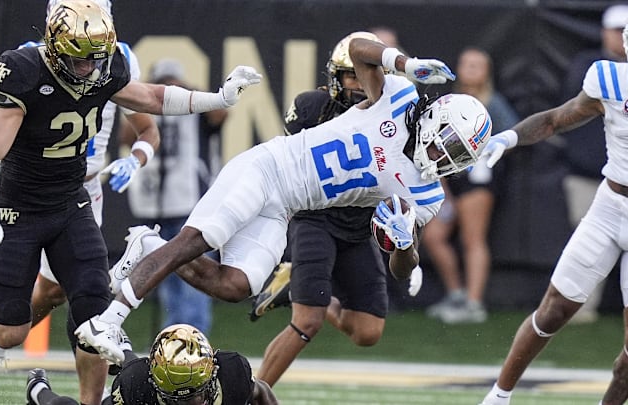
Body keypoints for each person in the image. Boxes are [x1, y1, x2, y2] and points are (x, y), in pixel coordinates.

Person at [75, 35, 493, 366]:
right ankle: (108, 321)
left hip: (287, 208)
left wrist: (403, 245)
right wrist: (404, 63)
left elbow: (403, 270)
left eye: (457, 159)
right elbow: (358, 48)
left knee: (235, 285)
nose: (444, 160)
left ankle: (147, 245)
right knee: (200, 237)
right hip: (268, 168)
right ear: (436, 120)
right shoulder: (397, 97)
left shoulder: (425, 191)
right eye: (448, 147)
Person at [0, 1, 261, 404]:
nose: (89, 68)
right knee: (9, 332)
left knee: (95, 317)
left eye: (96, 58)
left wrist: (217, 99)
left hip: (72, 201)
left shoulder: (107, 66)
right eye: (79, 59)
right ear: (55, 47)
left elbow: (152, 99)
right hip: (19, 207)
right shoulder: (22, 69)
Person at [0, 0, 160, 399]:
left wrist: (136, 160)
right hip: (32, 192)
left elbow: (148, 129)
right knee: (51, 298)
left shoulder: (119, 59)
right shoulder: (29, 62)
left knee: (84, 298)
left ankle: (89, 397)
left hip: (84, 191)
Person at [246, 31, 426, 387]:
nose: (359, 85)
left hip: (359, 226)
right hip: (316, 219)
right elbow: (288, 165)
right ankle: (253, 395)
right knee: (306, 323)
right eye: (351, 76)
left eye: (364, 76)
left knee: (367, 331)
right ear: (335, 77)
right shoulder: (312, 108)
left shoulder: (397, 119)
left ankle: (293, 283)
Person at [477, 22, 628, 405]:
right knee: (553, 309)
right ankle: (498, 397)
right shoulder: (608, 78)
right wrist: (509, 137)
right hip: (610, 207)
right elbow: (557, 118)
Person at [123, 58, 227, 334]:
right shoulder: (146, 107)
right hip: (157, 207)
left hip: (192, 207)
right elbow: (124, 135)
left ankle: (194, 337)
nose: (168, 86)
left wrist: (189, 94)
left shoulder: (196, 108)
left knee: (197, 277)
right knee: (166, 275)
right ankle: (172, 340)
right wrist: (145, 100)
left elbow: (220, 114)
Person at [422, 46, 519, 324]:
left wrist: (480, 150)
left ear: (487, 71)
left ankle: (474, 303)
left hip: (477, 181)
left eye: (477, 65)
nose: (471, 69)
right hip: (449, 178)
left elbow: (512, 136)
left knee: (472, 239)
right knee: (433, 237)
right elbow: (432, 143)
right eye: (466, 64)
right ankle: (456, 293)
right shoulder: (449, 102)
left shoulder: (493, 103)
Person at [559, 3, 628, 325]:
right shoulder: (594, 68)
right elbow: (563, 115)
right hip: (595, 176)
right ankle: (580, 309)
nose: (622, 37)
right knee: (589, 243)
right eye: (618, 30)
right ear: (605, 32)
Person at [26, 323, 278, 405]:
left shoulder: (232, 374)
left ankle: (124, 349)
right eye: (178, 401)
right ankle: (38, 390)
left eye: (196, 395)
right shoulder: (137, 387)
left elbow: (262, 391)